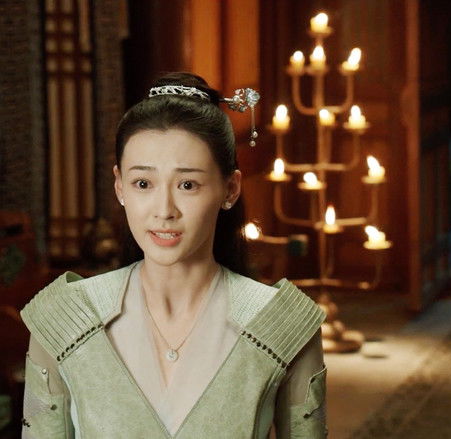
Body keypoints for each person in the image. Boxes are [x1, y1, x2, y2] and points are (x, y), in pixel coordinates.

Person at [20, 72, 327, 438]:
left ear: (230, 189)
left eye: (187, 184)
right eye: (143, 183)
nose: (164, 210)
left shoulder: (282, 324)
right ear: (120, 187)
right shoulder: (64, 318)